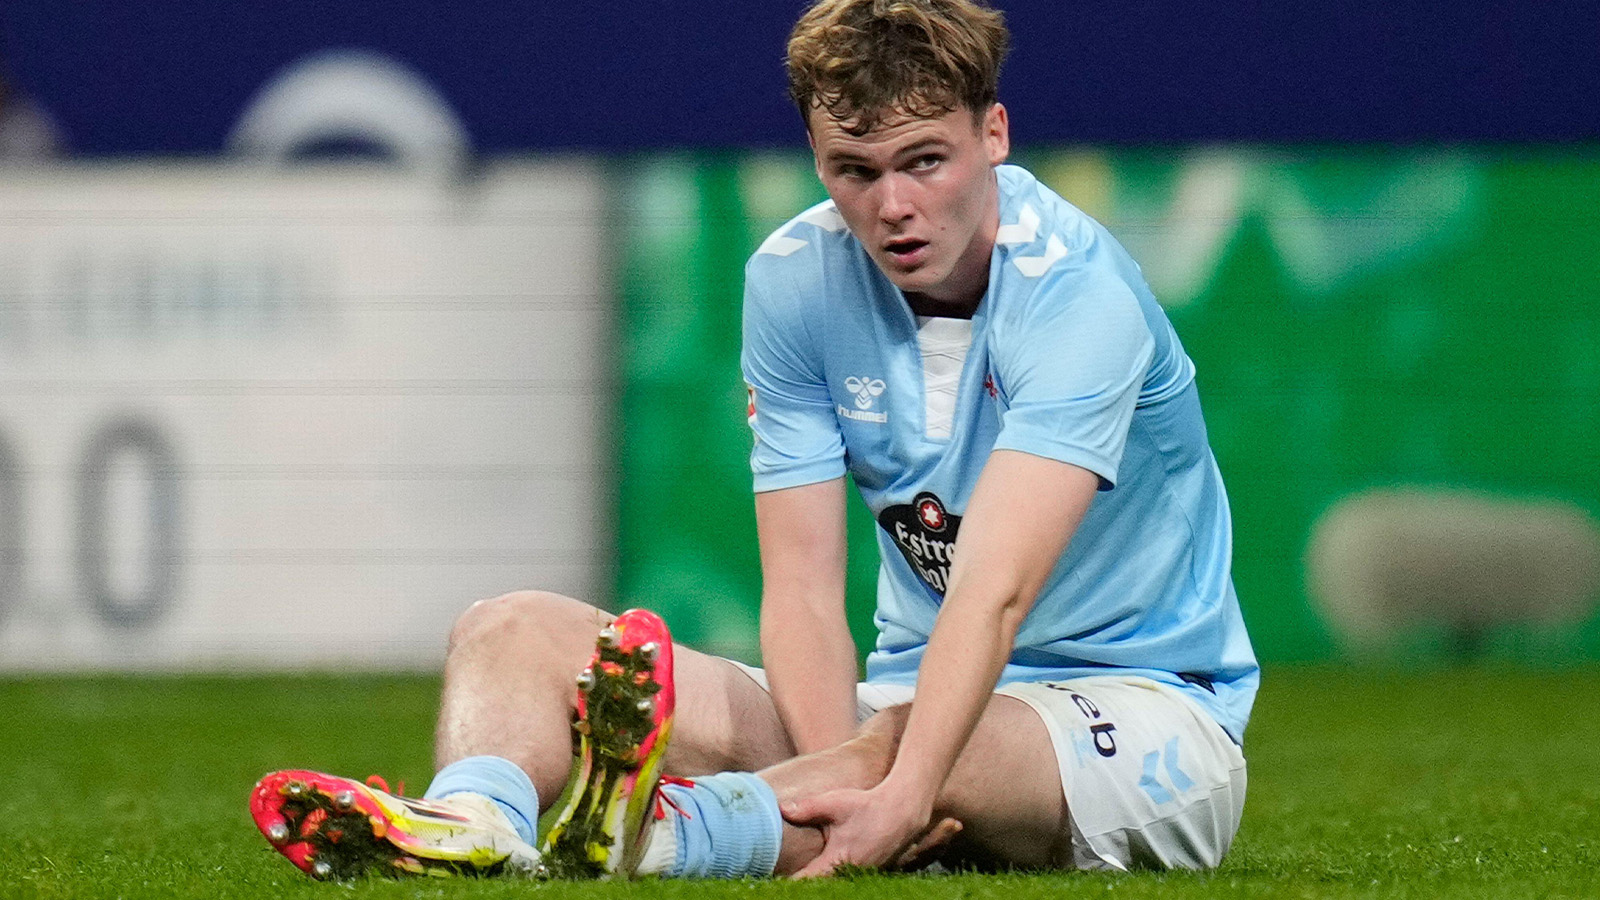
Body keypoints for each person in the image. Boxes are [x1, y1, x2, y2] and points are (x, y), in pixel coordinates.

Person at [251, 0, 1258, 880]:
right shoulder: (793, 278)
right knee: (507, 632)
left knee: (907, 743)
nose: (893, 206)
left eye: (924, 161)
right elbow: (805, 592)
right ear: (817, 160)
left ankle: (649, 840)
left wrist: (897, 788)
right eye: (853, 171)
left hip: (1140, 721)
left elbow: (991, 595)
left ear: (993, 132)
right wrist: (848, 775)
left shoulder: (1079, 297)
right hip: (897, 701)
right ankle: (473, 822)